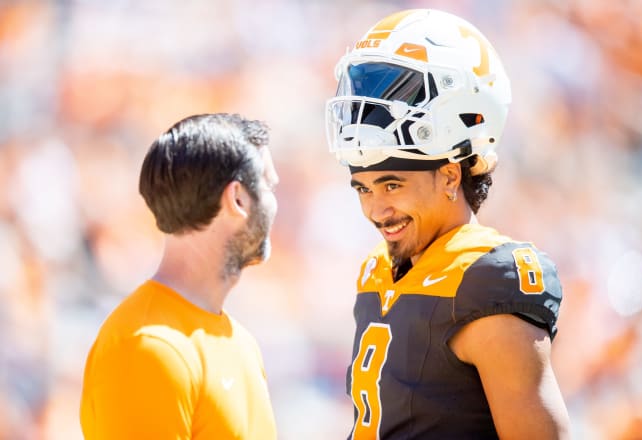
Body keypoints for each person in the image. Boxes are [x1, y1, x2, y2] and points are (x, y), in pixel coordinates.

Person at [326, 9, 571, 439]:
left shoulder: (486, 279)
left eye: (391, 184)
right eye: (362, 188)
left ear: (450, 175)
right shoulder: (378, 271)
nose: (376, 209)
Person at [80, 113, 279, 439]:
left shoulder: (240, 342)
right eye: (269, 185)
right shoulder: (148, 348)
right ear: (237, 199)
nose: (274, 202)